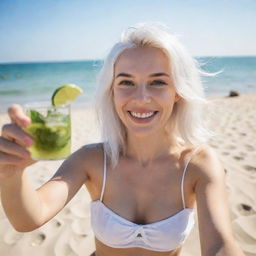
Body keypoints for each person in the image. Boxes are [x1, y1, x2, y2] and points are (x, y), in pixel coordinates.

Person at [0, 23, 245, 256]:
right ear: (112, 91)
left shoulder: (198, 164)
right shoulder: (91, 160)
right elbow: (29, 218)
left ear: (178, 92)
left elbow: (221, 245)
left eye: (157, 82)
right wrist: (11, 174)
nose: (141, 98)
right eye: (126, 82)